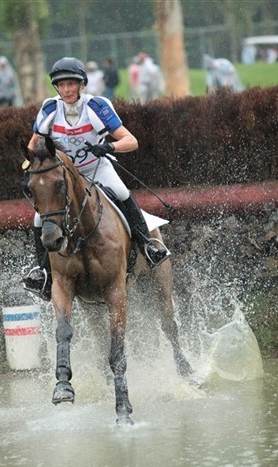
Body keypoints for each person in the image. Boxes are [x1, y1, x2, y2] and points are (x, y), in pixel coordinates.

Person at [22, 56, 170, 300]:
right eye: (62, 85)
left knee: (122, 193)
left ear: (81, 85)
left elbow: (131, 141)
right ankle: (43, 273)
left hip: (96, 169)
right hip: (65, 178)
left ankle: (148, 245)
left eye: (72, 84)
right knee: (40, 217)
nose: (67, 89)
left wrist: (109, 148)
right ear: (56, 87)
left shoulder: (96, 106)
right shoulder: (49, 109)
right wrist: (28, 168)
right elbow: (33, 146)